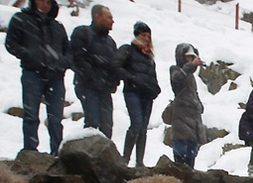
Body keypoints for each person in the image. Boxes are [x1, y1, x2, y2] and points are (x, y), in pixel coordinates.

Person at [5, 0, 71, 156]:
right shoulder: (21, 19)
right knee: (31, 115)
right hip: (32, 73)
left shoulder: (57, 26)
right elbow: (10, 43)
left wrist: (63, 63)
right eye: (41, 0)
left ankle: (57, 152)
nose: (45, 4)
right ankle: (30, 151)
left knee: (55, 118)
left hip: (55, 76)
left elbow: (68, 51)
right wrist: (28, 55)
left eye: (48, 1)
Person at [114, 21, 161, 167]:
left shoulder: (149, 57)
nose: (146, 38)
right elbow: (116, 66)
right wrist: (132, 79)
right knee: (136, 124)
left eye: (148, 36)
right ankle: (125, 159)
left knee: (143, 128)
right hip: (133, 91)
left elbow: (153, 76)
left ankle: (139, 161)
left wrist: (155, 89)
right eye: (143, 35)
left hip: (147, 94)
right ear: (136, 35)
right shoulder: (128, 50)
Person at [70, 4, 118, 139]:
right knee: (92, 123)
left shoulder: (110, 42)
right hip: (87, 86)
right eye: (108, 17)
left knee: (107, 125)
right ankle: (88, 156)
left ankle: (103, 157)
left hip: (104, 89)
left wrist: (113, 82)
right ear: (97, 17)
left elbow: (114, 65)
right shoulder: (82, 33)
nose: (112, 21)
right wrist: (93, 77)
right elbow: (78, 59)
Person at [169, 43, 205, 169]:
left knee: (192, 144)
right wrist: (191, 65)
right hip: (182, 112)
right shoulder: (175, 69)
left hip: (193, 113)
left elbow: (194, 92)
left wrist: (199, 104)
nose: (191, 59)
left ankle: (190, 169)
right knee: (180, 140)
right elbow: (177, 78)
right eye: (188, 57)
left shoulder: (191, 76)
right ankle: (179, 167)